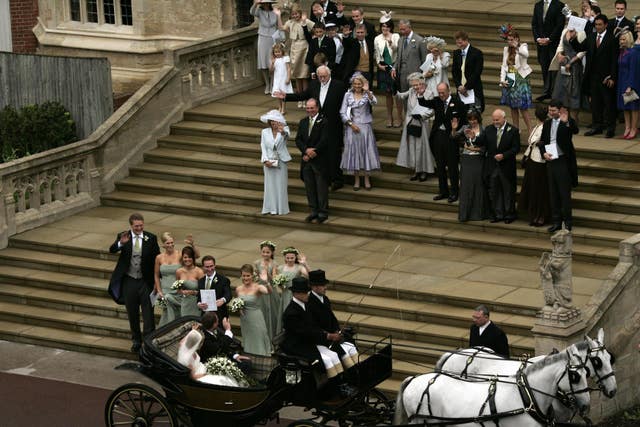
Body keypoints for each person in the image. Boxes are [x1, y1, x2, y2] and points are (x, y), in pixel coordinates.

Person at [275, 65, 346, 191]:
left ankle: (337, 179)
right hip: (318, 125)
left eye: (324, 76)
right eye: (320, 76)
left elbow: (346, 103)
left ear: (329, 75)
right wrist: (286, 97)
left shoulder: (339, 86)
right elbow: (303, 95)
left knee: (334, 153)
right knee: (320, 151)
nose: (322, 78)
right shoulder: (314, 85)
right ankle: (323, 179)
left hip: (333, 125)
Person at [108, 212, 160, 353]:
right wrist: (120, 243)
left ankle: (149, 341)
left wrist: (157, 281)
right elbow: (112, 250)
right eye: (136, 226)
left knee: (148, 311)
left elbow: (157, 260)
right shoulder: (124, 236)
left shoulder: (151, 238)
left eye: (141, 226)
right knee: (132, 312)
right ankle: (136, 340)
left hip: (145, 281)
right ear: (131, 225)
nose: (139, 228)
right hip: (129, 280)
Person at [281, 277, 344, 378]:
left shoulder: (305, 306)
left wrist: (327, 334)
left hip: (309, 341)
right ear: (296, 294)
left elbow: (313, 326)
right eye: (305, 292)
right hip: (297, 345)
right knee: (326, 360)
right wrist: (327, 336)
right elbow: (306, 332)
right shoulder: (291, 313)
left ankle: (341, 383)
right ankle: (332, 386)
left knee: (334, 355)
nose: (308, 295)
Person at [418, 82, 467, 203]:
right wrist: (420, 94)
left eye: (443, 93)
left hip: (451, 138)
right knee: (440, 167)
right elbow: (423, 103)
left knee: (452, 167)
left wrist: (457, 131)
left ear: (448, 91)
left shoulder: (458, 103)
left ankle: (454, 192)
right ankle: (443, 191)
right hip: (438, 137)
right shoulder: (437, 101)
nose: (441, 95)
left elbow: (465, 121)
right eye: (439, 93)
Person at [474, 109, 521, 224]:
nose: (495, 122)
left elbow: (516, 148)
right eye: (494, 120)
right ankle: (497, 214)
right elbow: (481, 142)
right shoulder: (489, 129)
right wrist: (474, 137)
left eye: (497, 120)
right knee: (494, 191)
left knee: (508, 191)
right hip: (492, 166)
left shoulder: (513, 130)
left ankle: (509, 214)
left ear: (504, 118)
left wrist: (504, 156)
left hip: (506, 167)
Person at [307, 270, 359, 369]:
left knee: (352, 348)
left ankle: (358, 370)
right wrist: (330, 336)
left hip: (333, 335)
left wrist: (337, 329)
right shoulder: (309, 303)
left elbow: (332, 317)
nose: (325, 288)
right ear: (314, 287)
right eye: (322, 285)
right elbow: (314, 326)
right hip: (322, 340)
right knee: (345, 355)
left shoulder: (325, 299)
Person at [540, 100, 579, 232]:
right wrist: (543, 153)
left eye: (554, 111)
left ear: (560, 110)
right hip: (551, 159)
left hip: (563, 160)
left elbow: (575, 130)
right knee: (553, 193)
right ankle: (556, 221)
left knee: (564, 193)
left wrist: (567, 121)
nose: (551, 113)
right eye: (550, 111)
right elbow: (542, 142)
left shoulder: (566, 122)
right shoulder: (547, 123)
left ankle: (567, 222)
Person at [340, 73, 380, 191]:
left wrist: (368, 91)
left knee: (366, 152)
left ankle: (367, 179)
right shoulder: (348, 95)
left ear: (363, 84)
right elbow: (342, 112)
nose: (357, 86)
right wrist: (351, 124)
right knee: (354, 152)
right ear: (352, 84)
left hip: (365, 127)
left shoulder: (367, 95)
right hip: (352, 127)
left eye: (359, 84)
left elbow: (375, 103)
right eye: (355, 83)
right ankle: (357, 180)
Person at [582, 14, 619, 138]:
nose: (597, 27)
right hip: (593, 77)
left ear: (605, 25)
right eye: (596, 25)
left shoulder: (612, 39)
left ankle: (610, 128)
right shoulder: (592, 37)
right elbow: (580, 47)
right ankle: (597, 126)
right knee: (596, 104)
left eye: (599, 25)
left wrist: (612, 77)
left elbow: (614, 60)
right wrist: (572, 39)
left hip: (606, 78)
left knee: (608, 104)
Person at [295, 98, 330, 223]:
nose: (309, 110)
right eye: (308, 108)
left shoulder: (324, 121)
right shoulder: (303, 122)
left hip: (319, 159)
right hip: (306, 160)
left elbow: (324, 140)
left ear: (317, 108)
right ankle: (313, 210)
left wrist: (312, 152)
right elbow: (298, 139)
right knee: (309, 187)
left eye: (312, 108)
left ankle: (323, 212)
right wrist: (305, 151)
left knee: (321, 188)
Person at [395, 73, 435, 182]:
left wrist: (421, 116)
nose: (415, 87)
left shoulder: (429, 93)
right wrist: (394, 89)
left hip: (422, 123)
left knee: (422, 148)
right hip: (411, 123)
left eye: (417, 85)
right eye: (413, 85)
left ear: (422, 83)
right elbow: (401, 96)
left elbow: (431, 110)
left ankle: (424, 171)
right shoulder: (411, 91)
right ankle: (415, 170)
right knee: (412, 147)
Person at [154, 232, 199, 326]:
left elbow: (196, 256)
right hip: (165, 291)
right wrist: (159, 291)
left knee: (179, 313)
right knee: (168, 314)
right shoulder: (159, 258)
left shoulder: (179, 255)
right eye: (167, 243)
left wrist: (192, 245)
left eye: (172, 242)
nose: (170, 245)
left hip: (178, 291)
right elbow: (156, 275)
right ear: (163, 244)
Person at [519, 105, 552, 227]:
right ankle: (534, 216)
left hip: (540, 162)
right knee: (533, 190)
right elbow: (531, 144)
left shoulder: (545, 128)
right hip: (532, 161)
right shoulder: (537, 127)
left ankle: (541, 216)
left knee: (539, 191)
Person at [454, 109, 489, 222]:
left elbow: (485, 149)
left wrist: (472, 148)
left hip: (478, 160)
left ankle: (478, 214)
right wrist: (454, 129)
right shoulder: (464, 128)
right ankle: (465, 214)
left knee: (478, 186)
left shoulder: (484, 130)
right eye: (470, 119)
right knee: (466, 187)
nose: (472, 121)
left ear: (478, 118)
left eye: (474, 119)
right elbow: (453, 137)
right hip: (466, 160)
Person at [550, 21, 587, 121]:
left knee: (573, 91)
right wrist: (559, 55)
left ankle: (573, 119)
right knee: (560, 90)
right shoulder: (565, 31)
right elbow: (560, 46)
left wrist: (570, 62)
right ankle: (563, 117)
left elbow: (583, 51)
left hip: (574, 65)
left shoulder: (581, 33)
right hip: (563, 64)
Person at [499, 29, 533, 135]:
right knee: (513, 106)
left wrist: (516, 46)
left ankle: (530, 130)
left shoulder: (523, 46)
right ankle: (516, 129)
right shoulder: (506, 49)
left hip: (521, 78)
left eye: (511, 39)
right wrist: (502, 80)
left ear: (517, 39)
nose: (509, 42)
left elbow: (526, 55)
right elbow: (504, 66)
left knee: (523, 106)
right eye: (508, 40)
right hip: (510, 76)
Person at [278, 4, 312, 108]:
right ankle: (299, 97)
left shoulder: (305, 21)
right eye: (293, 14)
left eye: (296, 14)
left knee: (304, 75)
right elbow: (281, 27)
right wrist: (278, 15)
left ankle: (305, 98)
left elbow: (315, 28)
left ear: (300, 13)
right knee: (297, 75)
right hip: (294, 49)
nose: (295, 16)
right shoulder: (290, 22)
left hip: (304, 48)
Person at [531, 0, 566, 100]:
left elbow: (559, 25)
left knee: (553, 68)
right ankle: (547, 91)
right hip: (541, 44)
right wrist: (538, 39)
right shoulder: (538, 5)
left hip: (553, 43)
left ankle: (553, 92)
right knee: (544, 66)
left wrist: (549, 39)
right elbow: (534, 24)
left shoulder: (559, 5)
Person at [236, 264, 272, 356]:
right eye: (244, 275)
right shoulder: (238, 289)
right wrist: (239, 308)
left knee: (259, 337)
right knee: (248, 338)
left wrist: (266, 282)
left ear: (252, 275)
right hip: (245, 319)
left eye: (248, 275)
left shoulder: (258, 287)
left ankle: (261, 357)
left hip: (256, 317)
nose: (246, 278)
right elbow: (238, 302)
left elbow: (268, 292)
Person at [259, 110, 291, 215]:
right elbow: (263, 146)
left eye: (276, 120)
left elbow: (286, 136)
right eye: (272, 121)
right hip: (269, 162)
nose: (274, 123)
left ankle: (281, 209)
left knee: (280, 185)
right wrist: (265, 160)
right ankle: (270, 208)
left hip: (281, 161)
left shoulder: (285, 130)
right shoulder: (264, 132)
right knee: (269, 186)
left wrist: (281, 131)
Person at [374, 12, 402, 128]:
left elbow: (398, 49)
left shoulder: (396, 36)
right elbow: (376, 53)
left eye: (387, 26)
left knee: (397, 94)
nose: (384, 28)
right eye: (383, 26)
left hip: (394, 67)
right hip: (383, 68)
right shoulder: (377, 38)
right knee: (387, 94)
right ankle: (389, 118)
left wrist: (391, 43)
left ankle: (399, 118)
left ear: (390, 27)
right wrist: (378, 65)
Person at [276, 246, 310, 333]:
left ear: (295, 258)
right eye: (288, 258)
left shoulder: (299, 267)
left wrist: (305, 264)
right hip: (285, 294)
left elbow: (309, 276)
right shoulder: (280, 268)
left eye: (292, 258)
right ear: (284, 258)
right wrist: (281, 285)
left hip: (295, 293)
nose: (290, 260)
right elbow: (278, 284)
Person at [166, 246, 204, 319]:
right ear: (182, 258)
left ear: (193, 258)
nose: (187, 259)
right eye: (185, 257)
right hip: (184, 303)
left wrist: (193, 292)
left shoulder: (199, 272)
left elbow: (204, 291)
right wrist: (182, 292)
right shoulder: (179, 272)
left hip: (196, 303)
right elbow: (178, 289)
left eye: (190, 257)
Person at [250, 0, 279, 95]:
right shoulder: (259, 11)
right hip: (262, 38)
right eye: (264, 3)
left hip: (272, 38)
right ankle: (267, 84)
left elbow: (278, 25)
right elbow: (251, 12)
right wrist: (256, 3)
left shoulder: (275, 12)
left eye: (267, 3)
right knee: (263, 62)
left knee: (272, 62)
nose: (266, 5)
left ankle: (272, 84)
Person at [452, 30, 485, 112]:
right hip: (460, 89)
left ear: (466, 40)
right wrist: (459, 86)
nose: (458, 45)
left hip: (473, 87)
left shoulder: (477, 53)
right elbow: (454, 71)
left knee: (475, 113)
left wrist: (466, 87)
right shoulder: (456, 53)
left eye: (460, 43)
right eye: (457, 43)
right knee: (461, 112)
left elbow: (477, 72)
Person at [393, 19, 426, 97]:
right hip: (402, 74)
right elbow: (398, 57)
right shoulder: (400, 40)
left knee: (415, 96)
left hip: (415, 74)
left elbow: (424, 60)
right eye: (400, 29)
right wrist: (394, 68)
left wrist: (422, 76)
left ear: (409, 27)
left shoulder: (420, 40)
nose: (402, 31)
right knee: (404, 96)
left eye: (404, 29)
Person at [617, 30, 640, 139]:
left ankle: (634, 129)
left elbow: (634, 70)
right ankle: (627, 127)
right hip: (622, 81)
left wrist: (630, 86)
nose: (621, 42)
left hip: (631, 82)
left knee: (633, 107)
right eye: (620, 39)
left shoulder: (633, 52)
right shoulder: (622, 52)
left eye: (623, 39)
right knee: (625, 107)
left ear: (629, 39)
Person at [254, 241, 279, 339]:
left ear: (271, 253)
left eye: (267, 252)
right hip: (260, 290)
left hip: (270, 291)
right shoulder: (257, 263)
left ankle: (271, 336)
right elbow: (254, 277)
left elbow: (274, 280)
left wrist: (267, 274)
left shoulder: (274, 264)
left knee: (271, 314)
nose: (265, 254)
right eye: (263, 252)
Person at [197, 255, 232, 321]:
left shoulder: (223, 279)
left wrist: (223, 300)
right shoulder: (201, 281)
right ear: (203, 267)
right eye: (207, 267)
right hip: (205, 317)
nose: (210, 269)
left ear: (215, 265)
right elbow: (199, 297)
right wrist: (199, 304)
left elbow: (228, 294)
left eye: (211, 266)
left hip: (219, 316)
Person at [420, 36, 450, 100]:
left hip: (441, 83)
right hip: (430, 85)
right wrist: (426, 75)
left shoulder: (445, 55)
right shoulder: (429, 56)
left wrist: (439, 54)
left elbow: (444, 65)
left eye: (433, 49)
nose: (432, 51)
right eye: (430, 49)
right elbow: (424, 71)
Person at [270, 44, 293, 114]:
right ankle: (279, 107)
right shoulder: (274, 60)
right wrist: (272, 64)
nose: (277, 53)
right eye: (275, 52)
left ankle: (283, 108)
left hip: (283, 78)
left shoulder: (285, 58)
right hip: (277, 79)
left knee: (283, 94)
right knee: (278, 94)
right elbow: (271, 70)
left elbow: (288, 68)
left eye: (279, 52)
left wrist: (288, 78)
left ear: (282, 51)